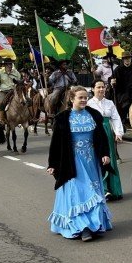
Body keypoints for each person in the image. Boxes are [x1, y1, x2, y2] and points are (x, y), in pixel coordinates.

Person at [46, 86, 113, 242]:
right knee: (78, 193)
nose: (83, 100)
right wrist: (53, 164)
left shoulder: (94, 115)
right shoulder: (62, 118)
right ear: (71, 99)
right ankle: (83, 228)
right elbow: (56, 143)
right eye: (80, 97)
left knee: (93, 191)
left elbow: (102, 137)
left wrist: (105, 154)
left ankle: (95, 224)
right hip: (71, 162)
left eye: (85, 97)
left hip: (91, 161)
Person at [88, 79, 125, 201]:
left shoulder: (109, 103)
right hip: (94, 133)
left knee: (111, 159)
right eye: (98, 87)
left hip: (107, 132)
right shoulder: (88, 104)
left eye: (103, 87)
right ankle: (103, 190)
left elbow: (115, 118)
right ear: (93, 89)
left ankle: (114, 190)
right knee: (99, 159)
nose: (101, 89)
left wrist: (118, 133)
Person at [112, 53, 132, 123]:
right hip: (122, 94)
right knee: (122, 111)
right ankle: (122, 125)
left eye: (129, 58)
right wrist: (112, 81)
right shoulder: (118, 69)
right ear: (123, 59)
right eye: (126, 58)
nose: (127, 60)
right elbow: (112, 79)